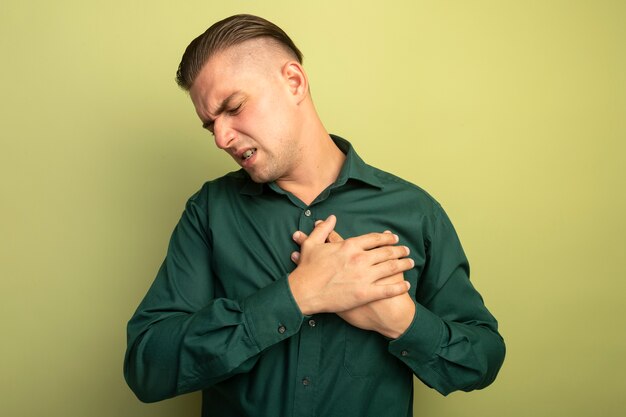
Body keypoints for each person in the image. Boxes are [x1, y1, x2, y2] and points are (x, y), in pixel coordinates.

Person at [124, 14, 505, 417]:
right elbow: (148, 368)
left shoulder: (413, 211)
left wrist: (401, 321)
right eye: (210, 126)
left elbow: (481, 360)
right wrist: (296, 296)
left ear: (294, 82)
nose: (221, 138)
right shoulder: (209, 212)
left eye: (233, 107)